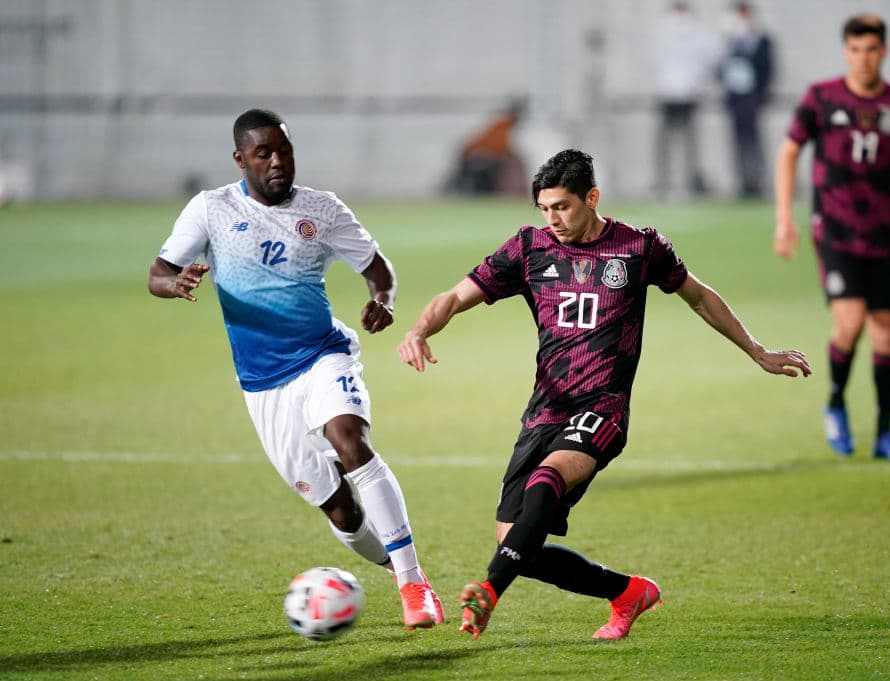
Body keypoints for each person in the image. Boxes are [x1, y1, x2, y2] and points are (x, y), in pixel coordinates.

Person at [397, 149, 811, 640]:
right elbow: (455, 296)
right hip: (544, 411)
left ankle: (489, 591)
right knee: (517, 545)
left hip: (603, 407)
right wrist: (421, 330)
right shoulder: (529, 249)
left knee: (546, 482)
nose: (553, 219)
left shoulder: (638, 248)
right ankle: (627, 591)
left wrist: (757, 351)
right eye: (544, 208)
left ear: (592, 198)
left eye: (563, 207)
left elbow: (698, 296)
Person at [147, 108, 444, 629]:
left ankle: (412, 582)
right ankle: (391, 565)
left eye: (284, 150)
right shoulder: (210, 210)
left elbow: (378, 270)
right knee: (341, 511)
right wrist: (175, 285)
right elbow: (158, 272)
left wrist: (385, 300)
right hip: (264, 384)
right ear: (241, 159)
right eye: (264, 153)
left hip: (322, 353)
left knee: (350, 440)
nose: (277, 162)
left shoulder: (322, 210)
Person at [773, 14, 890, 462]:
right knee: (850, 323)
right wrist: (784, 218)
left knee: (886, 333)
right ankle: (835, 403)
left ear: (883, 51)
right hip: (833, 228)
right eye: (855, 49)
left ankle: (886, 434)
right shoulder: (821, 98)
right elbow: (789, 152)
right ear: (845, 51)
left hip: (884, 235)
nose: (863, 58)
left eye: (871, 49)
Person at [653, 2, 721, 199]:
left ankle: (689, 182)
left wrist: (700, 82)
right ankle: (664, 183)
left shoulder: (699, 35)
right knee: (665, 142)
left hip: (690, 95)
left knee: (690, 142)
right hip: (668, 94)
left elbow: (710, 60)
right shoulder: (663, 32)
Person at [719, 2, 774, 198]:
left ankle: (757, 180)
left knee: (754, 140)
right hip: (735, 99)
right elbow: (722, 70)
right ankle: (742, 180)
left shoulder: (762, 40)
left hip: (753, 99)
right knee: (738, 141)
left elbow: (768, 69)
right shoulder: (731, 42)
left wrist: (761, 95)